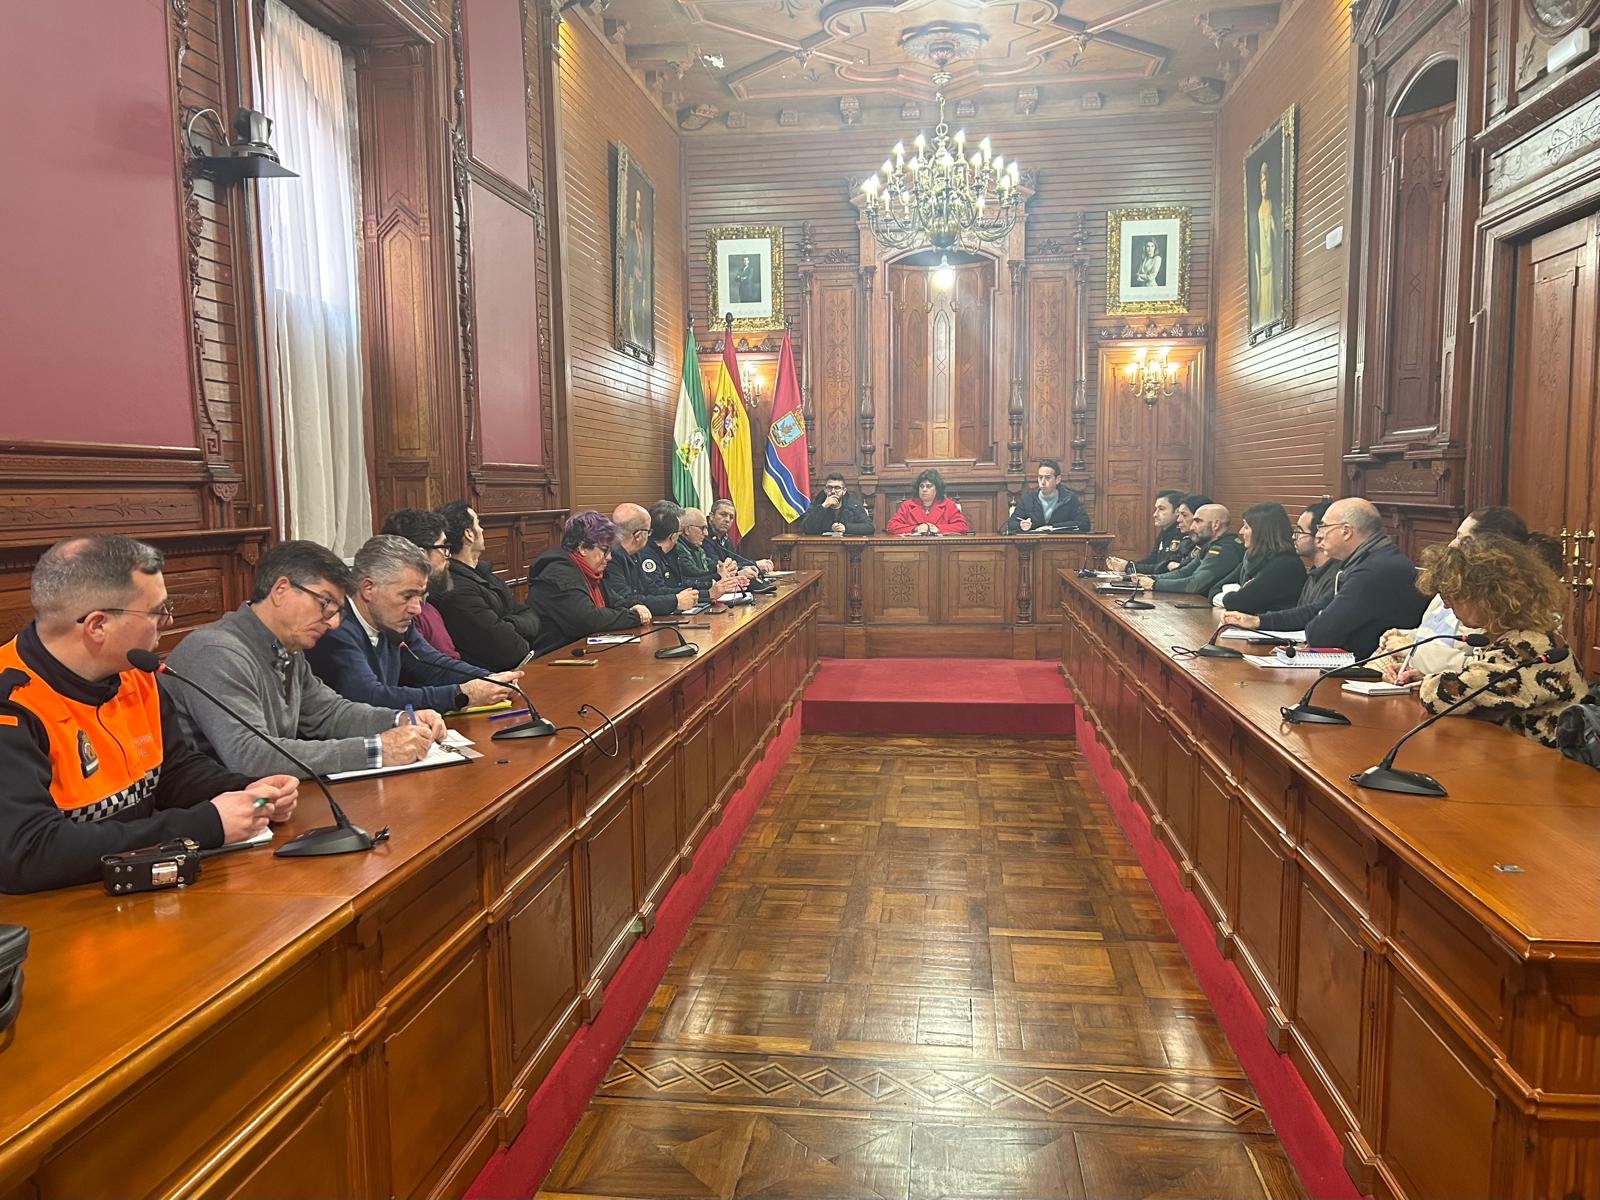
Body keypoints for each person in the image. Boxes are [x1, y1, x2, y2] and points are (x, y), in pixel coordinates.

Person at [0, 535, 299, 893]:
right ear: (98, 625)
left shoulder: (134, 671)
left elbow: (172, 771)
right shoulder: (12, 704)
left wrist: (247, 791)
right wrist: (206, 825)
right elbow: (29, 853)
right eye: (157, 610)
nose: (168, 620)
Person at [166, 540, 443, 778]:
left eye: (337, 611)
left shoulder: (288, 647)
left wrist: (398, 720)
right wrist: (377, 750)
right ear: (281, 590)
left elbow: (330, 714)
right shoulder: (217, 652)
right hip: (215, 810)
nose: (333, 623)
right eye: (325, 604)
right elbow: (251, 755)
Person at [1404, 536, 1588, 749]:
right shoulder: (1520, 634)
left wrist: (1431, 682)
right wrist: (1431, 678)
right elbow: (1479, 686)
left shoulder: (1526, 646)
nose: (1446, 606)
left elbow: (1441, 697)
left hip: (1548, 762)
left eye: (1451, 597)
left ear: (1487, 596)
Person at [306, 536, 522, 713]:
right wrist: (462, 694)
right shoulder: (334, 628)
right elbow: (369, 697)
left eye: (420, 596)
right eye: (407, 596)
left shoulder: (393, 620)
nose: (417, 608)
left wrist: (490, 679)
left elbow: (433, 665)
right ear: (368, 589)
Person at [1375, 506, 1564, 680]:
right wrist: (1408, 645)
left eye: (1461, 539)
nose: (1451, 545)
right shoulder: (1469, 597)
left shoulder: (1522, 636)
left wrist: (1421, 666)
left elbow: (1481, 677)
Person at [1222, 497, 1427, 656]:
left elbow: (1320, 633)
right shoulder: (1366, 562)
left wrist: (1319, 618)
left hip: (1368, 674)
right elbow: (1315, 610)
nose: (1318, 535)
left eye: (1323, 527)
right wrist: (1257, 621)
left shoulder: (1375, 571)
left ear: (1346, 531)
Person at [430, 500, 543, 671]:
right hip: (493, 677)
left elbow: (531, 616)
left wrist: (508, 624)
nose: (482, 529)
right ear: (469, 534)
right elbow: (511, 650)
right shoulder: (456, 589)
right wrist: (516, 627)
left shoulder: (485, 574)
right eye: (478, 523)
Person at [526, 512, 650, 654]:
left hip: (580, 650)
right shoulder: (559, 575)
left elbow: (614, 600)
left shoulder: (589, 572)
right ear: (583, 548)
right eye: (605, 550)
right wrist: (635, 617)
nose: (609, 557)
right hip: (553, 656)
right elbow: (588, 620)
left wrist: (634, 606)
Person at [380, 508, 463, 660]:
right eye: (443, 547)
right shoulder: (406, 616)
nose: (448, 556)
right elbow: (427, 668)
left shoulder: (428, 606)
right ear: (421, 555)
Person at [603, 503, 699, 617]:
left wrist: (686, 595)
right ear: (638, 536)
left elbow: (652, 589)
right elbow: (627, 600)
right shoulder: (611, 559)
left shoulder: (635, 555)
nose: (649, 537)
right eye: (648, 532)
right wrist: (675, 601)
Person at [1210, 502, 1306, 612]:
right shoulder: (1251, 558)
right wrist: (1237, 591)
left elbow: (1237, 602)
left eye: (1246, 527)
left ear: (1262, 532)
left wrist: (1234, 593)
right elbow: (1214, 590)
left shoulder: (1285, 565)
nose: (1241, 531)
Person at [1134, 504, 1242, 594]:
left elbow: (1194, 585)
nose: (1192, 527)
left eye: (1198, 521)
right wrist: (1151, 578)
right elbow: (1183, 572)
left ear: (1216, 524)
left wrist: (1155, 584)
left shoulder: (1225, 549)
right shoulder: (1210, 544)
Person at [671, 506, 744, 602]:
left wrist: (728, 568)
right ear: (687, 530)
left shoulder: (698, 549)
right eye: (702, 528)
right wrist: (720, 575)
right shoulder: (677, 548)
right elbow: (694, 574)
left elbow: (713, 565)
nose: (706, 533)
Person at [1107, 489, 1186, 573]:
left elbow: (1164, 568)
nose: (1155, 514)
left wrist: (1128, 567)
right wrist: (1128, 565)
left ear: (1177, 511)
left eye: (1161, 509)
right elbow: (1152, 559)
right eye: (1156, 509)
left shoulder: (1182, 533)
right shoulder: (1165, 531)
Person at [1005, 459, 1088, 534]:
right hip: (1035, 544)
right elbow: (1011, 524)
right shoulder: (1028, 500)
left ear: (1057, 479)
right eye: (1040, 477)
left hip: (1061, 543)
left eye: (1047, 478)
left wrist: (1053, 527)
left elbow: (1084, 523)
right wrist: (1020, 525)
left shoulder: (1069, 499)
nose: (1043, 482)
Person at [706, 499, 775, 580]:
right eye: (723, 515)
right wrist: (756, 564)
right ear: (711, 516)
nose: (727, 520)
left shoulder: (725, 538)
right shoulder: (703, 536)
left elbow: (736, 561)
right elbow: (717, 567)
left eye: (731, 517)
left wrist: (753, 565)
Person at [1290, 497, 1339, 611]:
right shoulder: (1314, 573)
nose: (1293, 537)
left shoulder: (1335, 579)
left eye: (1299, 531)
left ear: (1319, 536)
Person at [887, 469, 968, 535]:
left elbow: (962, 526)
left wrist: (938, 529)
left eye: (929, 486)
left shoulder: (948, 505)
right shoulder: (907, 505)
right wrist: (915, 528)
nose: (924, 489)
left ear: (937, 489)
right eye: (921, 486)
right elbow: (891, 526)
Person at [798, 473, 873, 536]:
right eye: (830, 487)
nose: (833, 491)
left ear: (844, 491)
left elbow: (869, 527)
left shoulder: (853, 504)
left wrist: (846, 528)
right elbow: (806, 528)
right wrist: (823, 506)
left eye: (837, 488)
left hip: (847, 546)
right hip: (822, 545)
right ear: (825, 490)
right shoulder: (817, 502)